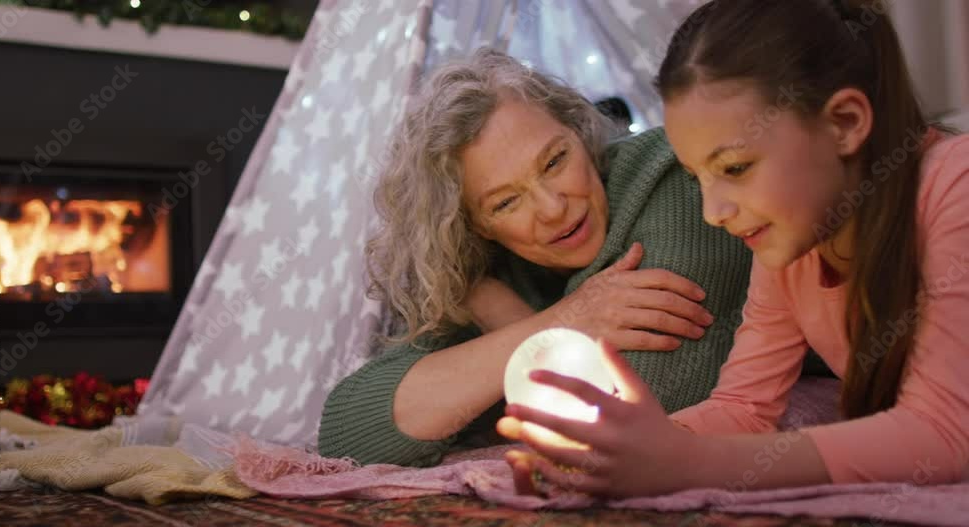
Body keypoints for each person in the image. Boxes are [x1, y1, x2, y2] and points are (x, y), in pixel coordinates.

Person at [497, 0, 969, 497]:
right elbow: (745, 406)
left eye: (736, 168)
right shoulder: (792, 247)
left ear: (846, 122)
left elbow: (943, 434)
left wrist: (687, 461)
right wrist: (607, 456)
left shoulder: (954, 185)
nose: (712, 212)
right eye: (698, 176)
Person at [317, 48, 753, 467]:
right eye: (505, 203)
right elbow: (348, 433)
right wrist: (559, 320)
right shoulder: (485, 274)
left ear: (580, 133)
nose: (552, 208)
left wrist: (507, 326)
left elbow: (632, 413)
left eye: (555, 161)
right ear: (475, 227)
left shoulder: (673, 178)